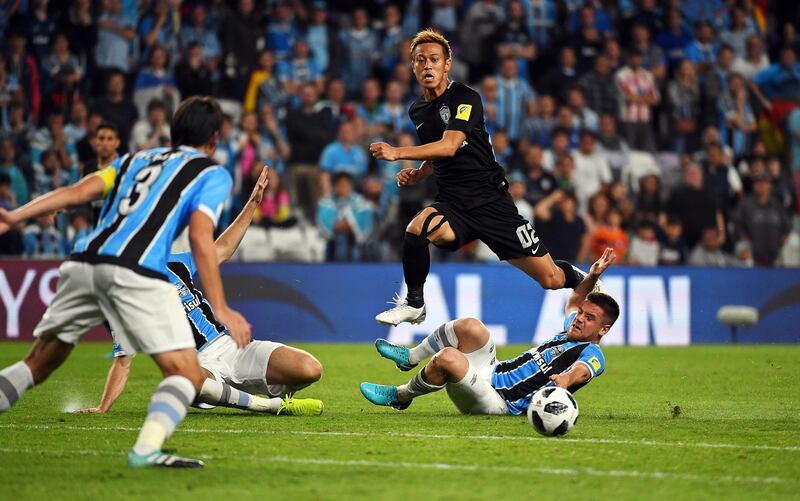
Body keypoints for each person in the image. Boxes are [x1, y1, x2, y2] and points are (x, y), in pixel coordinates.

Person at [0, 96, 249, 469]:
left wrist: (14, 216)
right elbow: (201, 238)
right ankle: (147, 450)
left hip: (84, 261)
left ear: (172, 131)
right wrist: (223, 306)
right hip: (135, 269)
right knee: (185, 373)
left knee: (37, 363)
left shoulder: (136, 159)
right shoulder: (211, 173)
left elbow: (76, 192)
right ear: (214, 139)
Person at [369, 29, 586, 326]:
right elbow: (438, 150)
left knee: (550, 278)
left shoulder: (466, 97)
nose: (427, 66)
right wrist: (421, 172)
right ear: (413, 67)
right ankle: (415, 304)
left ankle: (581, 278)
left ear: (447, 64)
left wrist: (397, 152)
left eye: (434, 59)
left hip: (491, 201)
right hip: (454, 203)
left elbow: (450, 145)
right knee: (417, 229)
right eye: (420, 61)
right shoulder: (417, 109)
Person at [78, 168, 323, 415]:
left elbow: (222, 250)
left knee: (310, 368)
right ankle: (270, 406)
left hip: (232, 348)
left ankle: (237, 395)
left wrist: (252, 204)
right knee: (187, 382)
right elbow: (123, 361)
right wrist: (103, 407)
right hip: (195, 366)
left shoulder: (175, 264)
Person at [360, 249, 618, 416]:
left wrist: (566, 381)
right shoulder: (569, 332)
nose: (579, 319)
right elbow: (575, 298)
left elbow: (583, 370)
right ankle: (410, 357)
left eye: (589, 318)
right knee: (470, 326)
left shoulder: (592, 352)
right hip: (493, 371)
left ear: (604, 329)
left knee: (449, 357)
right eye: (582, 314)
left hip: (498, 401)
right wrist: (593, 275)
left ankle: (400, 395)